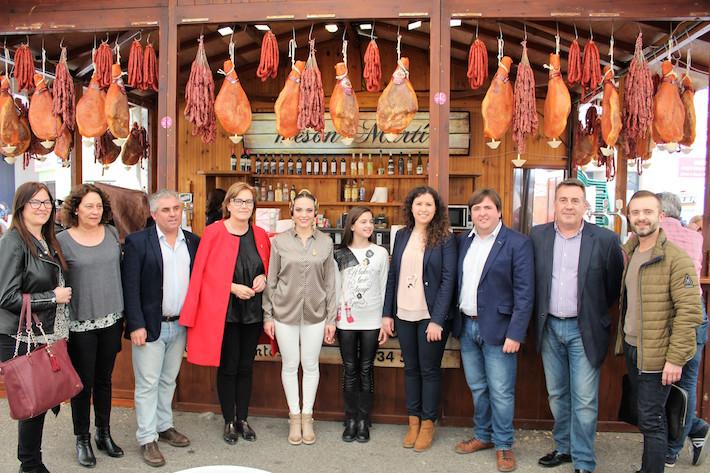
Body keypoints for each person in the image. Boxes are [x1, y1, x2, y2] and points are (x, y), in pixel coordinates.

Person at [531, 178, 624, 473]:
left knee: (584, 399)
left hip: (585, 329)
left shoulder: (606, 239)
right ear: (554, 204)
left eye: (575, 201)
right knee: (557, 394)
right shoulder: (538, 236)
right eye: (563, 200)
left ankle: (584, 460)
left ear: (585, 206)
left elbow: (612, 287)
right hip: (549, 328)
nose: (568, 206)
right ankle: (564, 448)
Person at [616, 190, 702, 473]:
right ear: (629, 217)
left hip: (657, 352)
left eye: (648, 212)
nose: (641, 218)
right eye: (636, 212)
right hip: (633, 347)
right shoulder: (631, 252)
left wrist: (675, 359)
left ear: (661, 216)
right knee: (647, 416)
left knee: (652, 420)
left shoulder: (676, 258)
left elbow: (690, 312)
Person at [180, 182, 270, 445]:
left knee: (246, 366)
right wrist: (231, 287)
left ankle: (243, 419)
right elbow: (202, 273)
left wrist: (263, 277)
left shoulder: (260, 234)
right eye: (239, 201)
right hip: (224, 312)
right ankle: (229, 420)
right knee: (229, 367)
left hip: (252, 310)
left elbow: (267, 266)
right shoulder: (213, 232)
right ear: (228, 204)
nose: (244, 206)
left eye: (249, 202)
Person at [453, 189, 534, 472]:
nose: (482, 213)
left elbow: (525, 293)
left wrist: (516, 333)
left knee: (501, 391)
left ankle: (503, 445)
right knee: (478, 388)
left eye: (487, 207)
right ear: (471, 213)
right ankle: (483, 436)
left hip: (501, 330)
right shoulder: (463, 241)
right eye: (476, 208)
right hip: (467, 325)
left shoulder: (517, 243)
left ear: (499, 211)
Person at [122, 190, 200, 467]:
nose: (173, 214)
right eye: (166, 210)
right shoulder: (137, 242)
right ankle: (147, 438)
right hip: (149, 325)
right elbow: (130, 287)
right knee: (148, 384)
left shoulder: (192, 241)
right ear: (154, 214)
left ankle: (164, 425)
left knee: (168, 380)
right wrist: (136, 324)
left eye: (176, 208)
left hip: (180, 324)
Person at [0, 182, 72, 473]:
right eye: (35, 202)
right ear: (21, 207)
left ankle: (31, 462)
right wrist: (52, 298)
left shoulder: (47, 238)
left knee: (39, 401)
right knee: (33, 403)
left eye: (47, 202)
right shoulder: (13, 241)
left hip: (43, 331)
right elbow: (6, 296)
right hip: (20, 334)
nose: (43, 208)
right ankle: (30, 465)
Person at [381, 186, 457, 452]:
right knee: (410, 369)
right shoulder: (401, 235)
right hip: (403, 313)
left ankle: (427, 424)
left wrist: (437, 320)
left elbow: (448, 280)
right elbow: (393, 275)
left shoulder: (445, 237)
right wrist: (387, 313)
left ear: (436, 209)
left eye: (428, 204)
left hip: (430, 317)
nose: (423, 209)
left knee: (429, 370)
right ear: (411, 207)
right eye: (419, 204)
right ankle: (413, 422)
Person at [262, 189, 336, 446]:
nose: (304, 214)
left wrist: (331, 319)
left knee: (311, 365)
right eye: (299, 209)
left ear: (316, 213)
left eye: (309, 210)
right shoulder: (280, 242)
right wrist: (268, 315)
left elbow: (330, 283)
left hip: (315, 313)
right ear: (291, 212)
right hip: (284, 313)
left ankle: (308, 416)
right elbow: (271, 280)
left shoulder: (325, 242)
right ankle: (294, 417)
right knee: (290, 364)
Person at [58, 184, 125, 468]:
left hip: (112, 319)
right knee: (83, 384)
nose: (95, 211)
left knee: (104, 380)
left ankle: (103, 433)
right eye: (89, 206)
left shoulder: (111, 233)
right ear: (76, 209)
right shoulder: (62, 241)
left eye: (99, 206)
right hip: (80, 322)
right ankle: (82, 438)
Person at [657, 192, 709, 467]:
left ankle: (672, 447)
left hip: (665, 315)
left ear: (660, 213)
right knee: (685, 385)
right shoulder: (695, 237)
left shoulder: (653, 234)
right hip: (695, 313)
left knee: (659, 386)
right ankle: (692, 430)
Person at [333, 206, 389, 443]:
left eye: (371, 222)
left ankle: (364, 420)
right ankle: (350, 419)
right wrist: (332, 320)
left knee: (366, 368)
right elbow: (335, 288)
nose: (368, 226)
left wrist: (384, 321)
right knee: (349, 368)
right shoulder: (340, 253)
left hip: (372, 319)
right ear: (352, 225)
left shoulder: (380, 253)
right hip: (346, 320)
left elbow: (385, 287)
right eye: (363, 221)